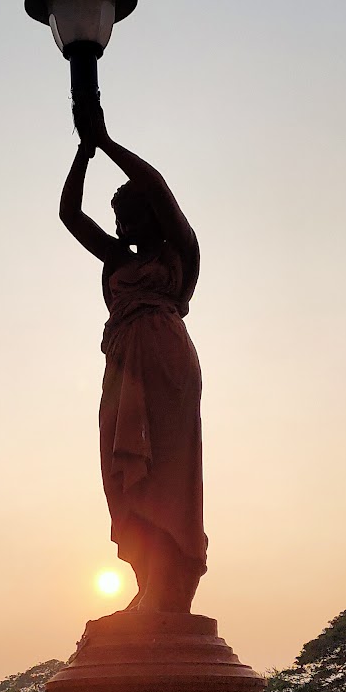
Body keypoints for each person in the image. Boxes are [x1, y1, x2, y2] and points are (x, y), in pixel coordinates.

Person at [60, 100, 207, 613]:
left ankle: (170, 587)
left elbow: (160, 186)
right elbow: (70, 215)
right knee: (121, 474)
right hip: (123, 369)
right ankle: (148, 585)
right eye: (117, 219)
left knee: (166, 469)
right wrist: (83, 151)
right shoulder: (118, 260)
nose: (121, 227)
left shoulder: (179, 252)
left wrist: (108, 143)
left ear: (151, 216)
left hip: (166, 364)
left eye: (129, 215)